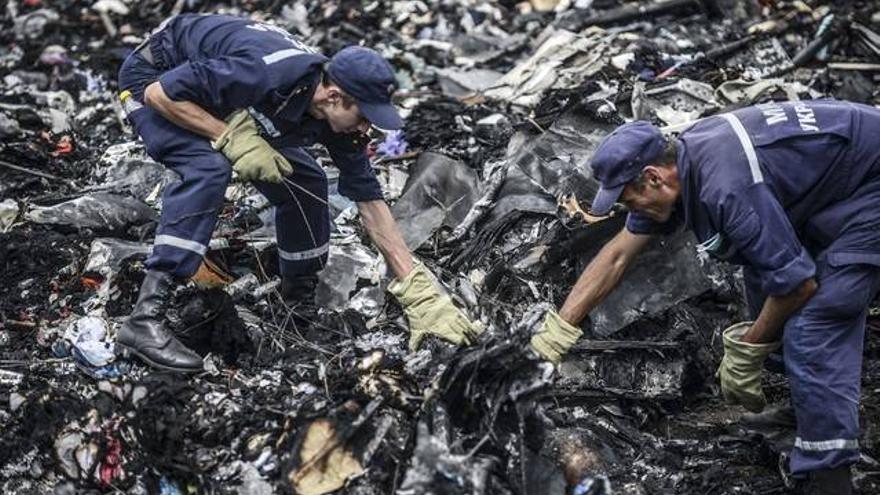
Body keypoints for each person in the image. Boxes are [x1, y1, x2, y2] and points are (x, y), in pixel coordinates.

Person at [528, 99, 880, 494]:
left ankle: (829, 474)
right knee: (761, 279)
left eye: (628, 200)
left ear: (654, 178)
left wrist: (747, 351)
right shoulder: (680, 161)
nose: (631, 210)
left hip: (872, 186)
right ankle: (805, 408)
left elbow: (799, 285)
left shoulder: (726, 188)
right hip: (839, 180)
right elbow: (617, 255)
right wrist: (557, 331)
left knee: (815, 323)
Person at [116, 14, 481, 373]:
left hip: (221, 93)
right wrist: (230, 136)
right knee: (208, 167)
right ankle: (145, 318)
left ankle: (296, 305)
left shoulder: (336, 119)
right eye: (365, 116)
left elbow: (369, 200)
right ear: (334, 96)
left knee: (306, 180)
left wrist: (416, 288)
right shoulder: (265, 73)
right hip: (157, 77)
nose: (367, 127)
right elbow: (159, 94)